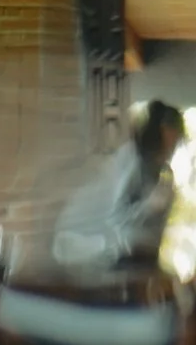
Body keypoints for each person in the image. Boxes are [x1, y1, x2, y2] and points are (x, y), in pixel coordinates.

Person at [53, 101, 185, 274]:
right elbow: (115, 222)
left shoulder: (160, 171)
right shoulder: (128, 162)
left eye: (177, 138)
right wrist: (150, 206)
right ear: (160, 132)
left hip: (131, 261)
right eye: (172, 136)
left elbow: (150, 230)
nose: (174, 144)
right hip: (95, 257)